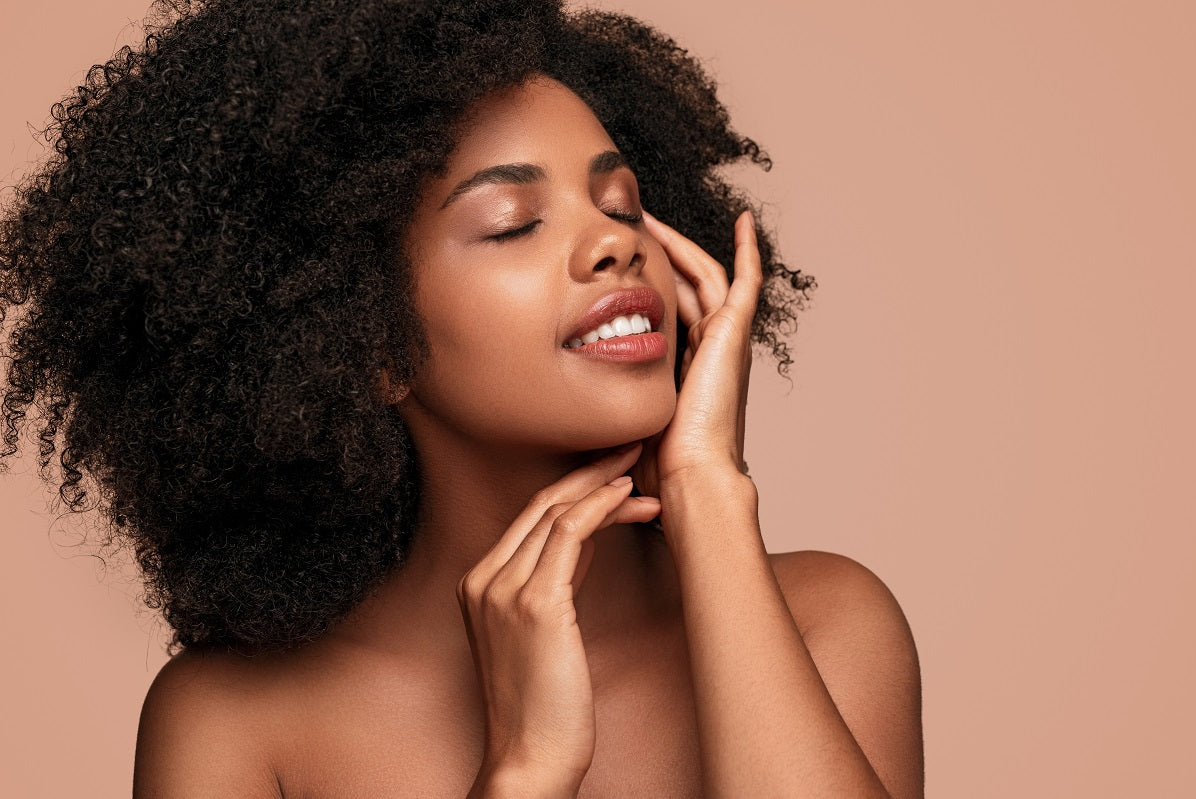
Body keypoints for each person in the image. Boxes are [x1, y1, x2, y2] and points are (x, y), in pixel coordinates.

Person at [0, 0, 923, 795]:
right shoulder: (238, 722)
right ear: (365, 339)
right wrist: (523, 772)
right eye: (513, 224)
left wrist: (711, 491)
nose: (613, 243)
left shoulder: (827, 622)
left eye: (622, 202)